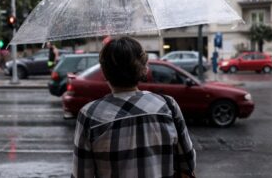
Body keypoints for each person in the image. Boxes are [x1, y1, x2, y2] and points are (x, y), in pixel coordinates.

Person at [71, 36, 196, 178]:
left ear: (105, 72)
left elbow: (81, 174)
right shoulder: (168, 106)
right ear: (143, 69)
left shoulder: (89, 115)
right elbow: (188, 162)